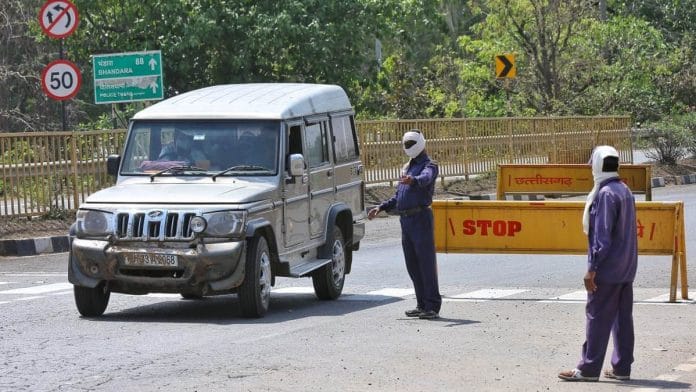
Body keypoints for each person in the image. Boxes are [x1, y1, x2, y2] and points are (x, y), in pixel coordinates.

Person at [559, 145, 638, 382]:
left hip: (607, 268)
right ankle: (622, 368)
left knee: (597, 315)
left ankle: (589, 368)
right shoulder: (624, 189)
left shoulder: (604, 194)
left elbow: (601, 237)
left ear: (596, 166)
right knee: (622, 319)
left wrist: (592, 268)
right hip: (626, 267)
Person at [367, 129, 442, 319]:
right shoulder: (407, 167)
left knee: (426, 263)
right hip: (406, 220)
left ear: (420, 143)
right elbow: (398, 195)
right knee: (413, 265)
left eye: (411, 144)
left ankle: (432, 306)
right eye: (406, 144)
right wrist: (381, 207)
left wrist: (414, 180)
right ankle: (421, 303)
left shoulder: (429, 165)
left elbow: (425, 178)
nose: (407, 147)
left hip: (421, 218)